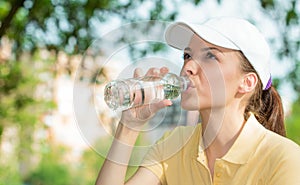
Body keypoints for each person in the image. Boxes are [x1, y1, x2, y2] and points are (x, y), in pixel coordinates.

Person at [95, 17, 300, 185]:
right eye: (187, 55)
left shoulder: (285, 159)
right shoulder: (174, 144)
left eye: (210, 56)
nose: (188, 67)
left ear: (247, 83)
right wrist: (129, 127)